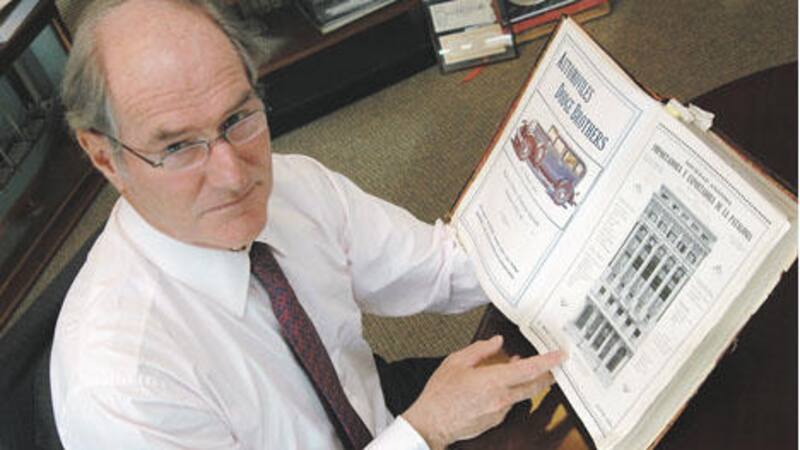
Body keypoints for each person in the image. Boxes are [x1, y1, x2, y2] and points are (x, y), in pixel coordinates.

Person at [49, 0, 565, 448]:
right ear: (105, 158)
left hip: (377, 416)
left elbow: (440, 269)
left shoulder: (291, 185)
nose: (234, 177)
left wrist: (575, 223)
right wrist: (427, 430)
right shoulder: (120, 388)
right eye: (179, 147)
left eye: (237, 119)